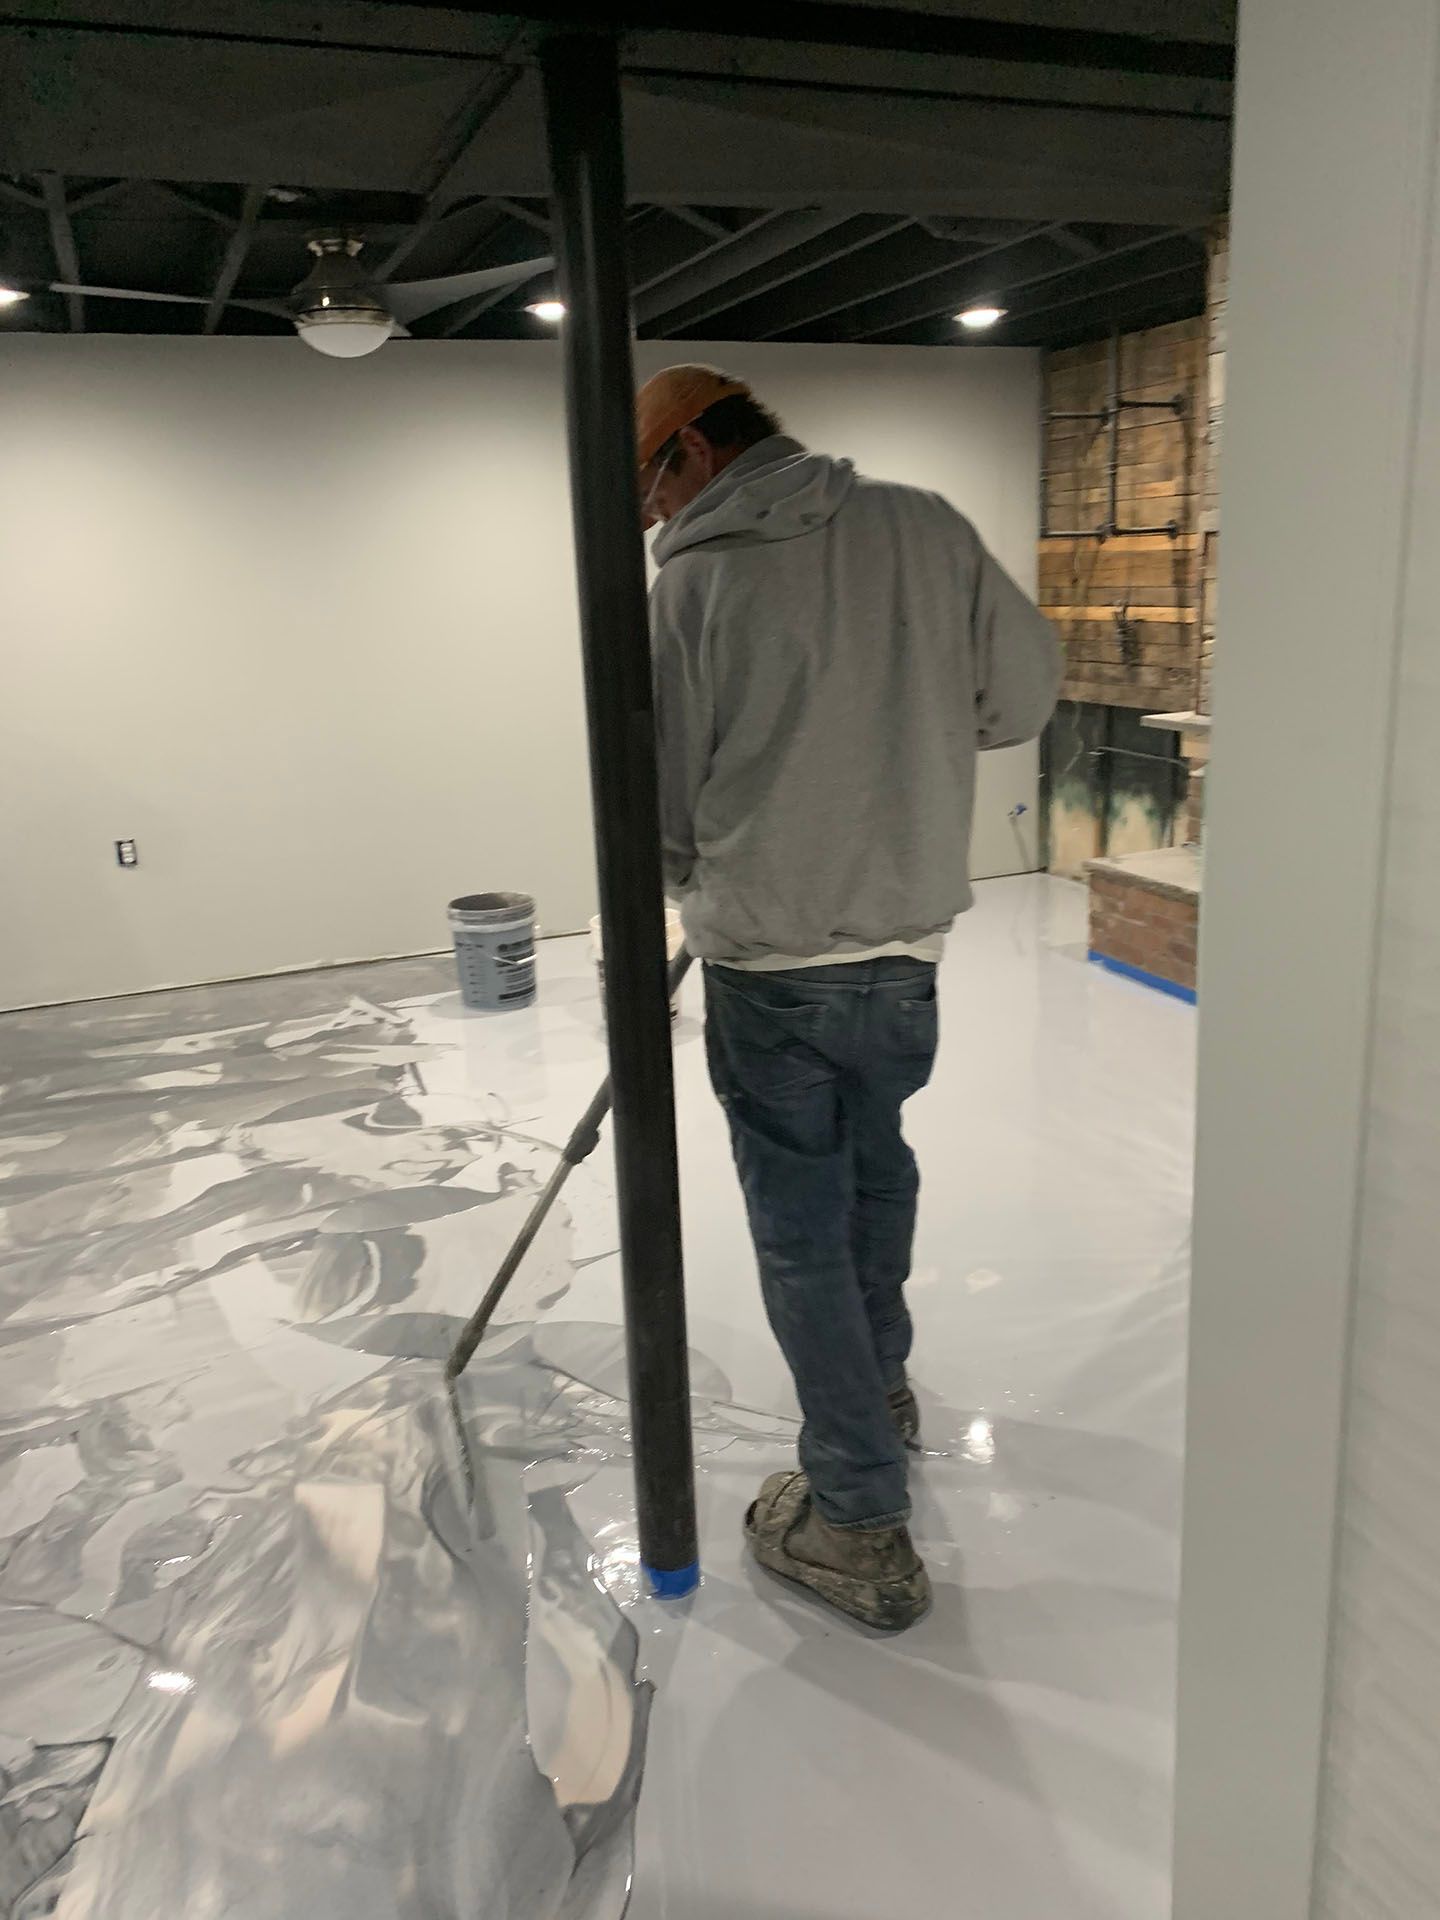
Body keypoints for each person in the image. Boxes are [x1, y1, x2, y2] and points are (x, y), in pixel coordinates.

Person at [637, 364, 1061, 1631]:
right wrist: (902, 732)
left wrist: (702, 871)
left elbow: (658, 801)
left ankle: (858, 1518)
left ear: (696, 453)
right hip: (907, 953)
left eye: (650, 487)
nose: (652, 518)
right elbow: (1022, 697)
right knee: (878, 1170)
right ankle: (878, 1391)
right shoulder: (924, 524)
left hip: (774, 969)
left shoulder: (697, 587)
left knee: (799, 1233)